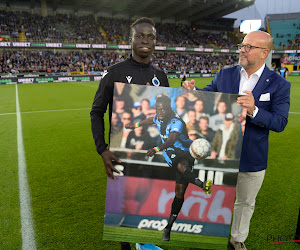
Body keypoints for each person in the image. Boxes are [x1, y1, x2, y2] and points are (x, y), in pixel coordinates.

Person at [183, 31, 291, 250]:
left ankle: (237, 240)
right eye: (242, 45)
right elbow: (207, 97)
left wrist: (254, 110)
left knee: (245, 203)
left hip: (252, 157)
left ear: (264, 53)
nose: (242, 49)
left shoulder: (279, 84)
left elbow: (279, 122)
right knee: (211, 195)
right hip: (219, 152)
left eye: (248, 47)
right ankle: (206, 236)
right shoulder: (226, 74)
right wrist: (193, 91)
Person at [90, 17, 169, 250]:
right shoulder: (114, 73)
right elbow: (96, 112)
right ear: (131, 40)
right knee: (125, 208)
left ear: (155, 41)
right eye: (140, 36)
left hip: (151, 152)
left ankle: (145, 244)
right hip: (122, 153)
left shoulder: (160, 76)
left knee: (148, 202)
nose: (146, 40)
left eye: (151, 36)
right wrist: (102, 149)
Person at [125, 95, 212, 242]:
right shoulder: (158, 116)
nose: (160, 112)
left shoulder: (176, 121)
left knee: (179, 194)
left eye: (163, 109)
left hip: (185, 152)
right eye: (158, 109)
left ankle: (168, 228)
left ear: (169, 108)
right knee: (180, 166)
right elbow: (150, 120)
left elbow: (171, 139)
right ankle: (201, 184)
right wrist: (135, 126)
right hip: (170, 152)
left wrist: (156, 148)